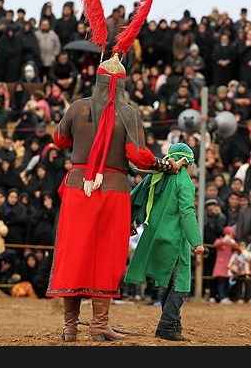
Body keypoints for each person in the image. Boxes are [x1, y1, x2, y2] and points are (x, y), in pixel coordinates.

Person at [46, 51, 178, 342]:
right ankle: (99, 325)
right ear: (122, 82)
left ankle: (70, 327)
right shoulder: (128, 112)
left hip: (78, 188)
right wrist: (164, 165)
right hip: (113, 190)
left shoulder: (77, 107)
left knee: (74, 252)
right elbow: (138, 156)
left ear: (98, 80)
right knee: (105, 253)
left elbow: (59, 139)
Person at [125, 143, 204, 341]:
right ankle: (167, 326)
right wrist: (196, 242)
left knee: (168, 282)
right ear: (186, 162)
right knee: (181, 284)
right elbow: (187, 212)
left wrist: (130, 221)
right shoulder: (184, 181)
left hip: (154, 235)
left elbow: (135, 197)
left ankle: (174, 324)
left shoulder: (157, 176)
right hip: (175, 239)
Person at [212, 226, 237, 304]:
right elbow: (215, 244)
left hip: (228, 265)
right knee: (221, 282)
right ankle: (222, 297)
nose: (231, 235)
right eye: (230, 233)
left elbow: (237, 247)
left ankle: (224, 297)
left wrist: (232, 242)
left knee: (227, 282)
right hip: (220, 265)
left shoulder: (231, 242)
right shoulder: (220, 240)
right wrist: (223, 240)